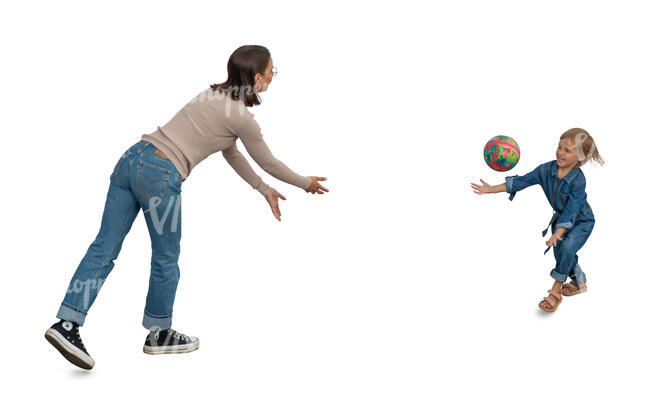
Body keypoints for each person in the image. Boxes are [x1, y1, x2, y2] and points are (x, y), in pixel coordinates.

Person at [45, 45, 329, 370]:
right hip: (160, 176)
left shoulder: (210, 95)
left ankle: (67, 324)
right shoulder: (243, 119)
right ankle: (159, 333)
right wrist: (305, 182)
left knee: (103, 247)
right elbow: (269, 162)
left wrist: (262, 190)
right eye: (271, 72)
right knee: (166, 257)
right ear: (256, 77)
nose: (272, 77)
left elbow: (230, 151)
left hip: (132, 159)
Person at [471, 128, 603, 312]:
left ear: (581, 157)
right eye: (559, 147)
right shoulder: (546, 170)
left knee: (566, 247)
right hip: (560, 221)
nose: (560, 152)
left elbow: (572, 210)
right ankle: (580, 282)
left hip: (581, 221)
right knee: (563, 253)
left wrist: (558, 232)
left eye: (567, 150)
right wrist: (492, 189)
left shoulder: (579, 180)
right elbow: (522, 181)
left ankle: (555, 291)